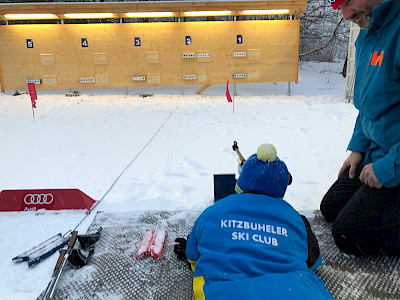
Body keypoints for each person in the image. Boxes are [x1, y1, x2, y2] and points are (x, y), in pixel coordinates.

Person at [174, 144, 332, 300]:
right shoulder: (296, 220)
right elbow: (314, 260)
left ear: (241, 183)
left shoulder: (212, 213)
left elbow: (192, 255)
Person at [320, 0, 400, 256]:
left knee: (349, 235)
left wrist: (389, 168)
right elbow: (368, 105)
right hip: (378, 153)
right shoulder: (368, 33)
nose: (345, 14)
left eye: (348, 1)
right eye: (337, 6)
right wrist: (358, 147)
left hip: (394, 161)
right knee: (331, 208)